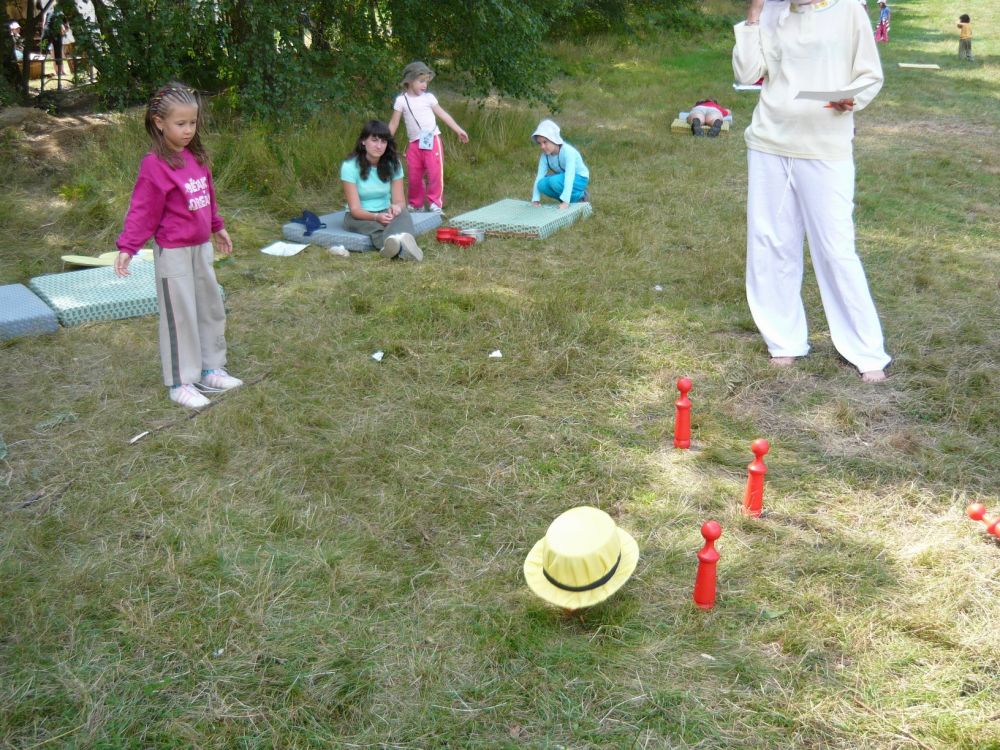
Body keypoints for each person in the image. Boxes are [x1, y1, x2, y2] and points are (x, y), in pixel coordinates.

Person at [733, 0, 891, 383]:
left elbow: (869, 75)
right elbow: (748, 73)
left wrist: (848, 98)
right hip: (769, 142)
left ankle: (866, 351)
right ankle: (783, 340)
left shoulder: (849, 10)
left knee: (836, 247)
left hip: (825, 147)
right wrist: (753, 16)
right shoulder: (771, 12)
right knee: (771, 242)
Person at [115, 82, 242, 409]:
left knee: (209, 306)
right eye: (180, 123)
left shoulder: (196, 156)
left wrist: (217, 226)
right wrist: (128, 247)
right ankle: (181, 381)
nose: (188, 130)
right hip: (173, 252)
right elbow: (143, 210)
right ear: (159, 123)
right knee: (180, 315)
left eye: (193, 123)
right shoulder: (154, 164)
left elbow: (207, 194)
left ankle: (210, 368)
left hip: (201, 248)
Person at [388, 61, 468, 213]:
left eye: (426, 81)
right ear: (409, 81)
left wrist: (458, 130)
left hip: (432, 140)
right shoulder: (401, 101)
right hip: (414, 144)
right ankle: (416, 204)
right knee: (414, 175)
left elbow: (443, 114)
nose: (424, 85)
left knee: (435, 172)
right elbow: (394, 123)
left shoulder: (429, 98)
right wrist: (384, 141)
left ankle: (435, 203)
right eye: (421, 81)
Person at [341, 120, 424, 262]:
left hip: (385, 211)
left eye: (383, 141)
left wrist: (396, 208)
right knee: (376, 228)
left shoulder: (394, 163)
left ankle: (396, 246)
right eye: (374, 140)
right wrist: (376, 217)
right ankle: (399, 247)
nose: (379, 146)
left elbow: (400, 201)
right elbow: (355, 209)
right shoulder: (349, 166)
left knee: (403, 213)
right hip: (360, 216)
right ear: (363, 141)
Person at [530, 119, 590, 209]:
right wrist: (535, 199)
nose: (542, 146)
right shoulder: (545, 156)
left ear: (553, 139)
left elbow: (569, 175)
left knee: (554, 181)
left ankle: (581, 197)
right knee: (541, 184)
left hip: (580, 178)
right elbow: (539, 176)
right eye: (540, 143)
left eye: (545, 142)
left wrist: (566, 201)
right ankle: (566, 199)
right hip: (563, 177)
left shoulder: (568, 152)